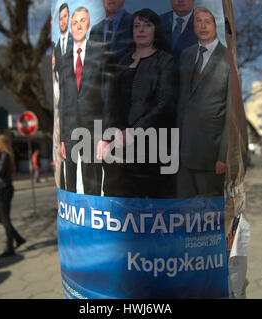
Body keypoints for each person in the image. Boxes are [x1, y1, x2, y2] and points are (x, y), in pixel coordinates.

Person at [100, 8, 179, 198]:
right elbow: (111, 102)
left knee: (151, 207)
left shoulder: (166, 61)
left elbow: (165, 103)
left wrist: (135, 131)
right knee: (118, 204)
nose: (141, 30)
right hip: (118, 147)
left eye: (147, 25)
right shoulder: (121, 62)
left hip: (152, 147)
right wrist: (105, 136)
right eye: (137, 26)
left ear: (155, 30)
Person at [177, 6, 231, 198]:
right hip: (183, 153)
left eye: (207, 21)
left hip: (210, 156)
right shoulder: (186, 55)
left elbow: (231, 113)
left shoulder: (228, 58)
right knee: (185, 214)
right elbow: (181, 103)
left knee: (208, 214)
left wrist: (223, 156)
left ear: (216, 26)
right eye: (198, 21)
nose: (203, 26)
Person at [59, 7, 107, 196]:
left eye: (83, 21)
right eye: (75, 22)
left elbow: (106, 96)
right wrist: (62, 138)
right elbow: (63, 101)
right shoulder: (63, 61)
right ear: (70, 27)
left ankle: (93, 221)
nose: (78, 26)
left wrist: (104, 134)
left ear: (88, 25)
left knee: (92, 184)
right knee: (70, 185)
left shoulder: (99, 54)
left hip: (93, 132)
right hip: (70, 131)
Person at [0, 135, 26, 258]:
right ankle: (18, 238)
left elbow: (0, 172)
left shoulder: (4, 155)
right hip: (2, 189)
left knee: (4, 218)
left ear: (0, 144)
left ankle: (10, 248)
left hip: (5, 190)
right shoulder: (3, 155)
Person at [52, 45, 64, 189]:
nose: (54, 60)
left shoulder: (63, 77)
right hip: (57, 130)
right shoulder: (53, 78)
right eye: (53, 56)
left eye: (56, 56)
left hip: (63, 130)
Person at [54, 3, 73, 70]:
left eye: (65, 16)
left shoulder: (75, 42)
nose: (62, 21)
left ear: (69, 17)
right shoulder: (56, 49)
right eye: (60, 18)